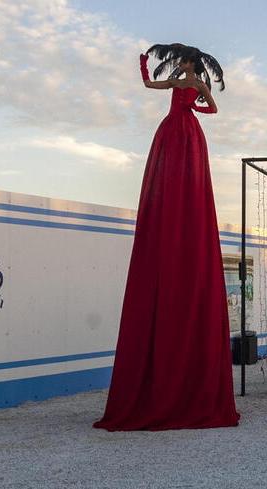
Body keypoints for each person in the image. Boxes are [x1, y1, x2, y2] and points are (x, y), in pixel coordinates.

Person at [94, 44, 238, 431]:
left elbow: (214, 109)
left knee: (185, 173)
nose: (185, 67)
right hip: (172, 131)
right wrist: (142, 63)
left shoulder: (194, 85)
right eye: (184, 63)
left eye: (189, 63)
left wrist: (196, 106)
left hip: (188, 131)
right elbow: (148, 84)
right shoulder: (176, 82)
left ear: (196, 65)